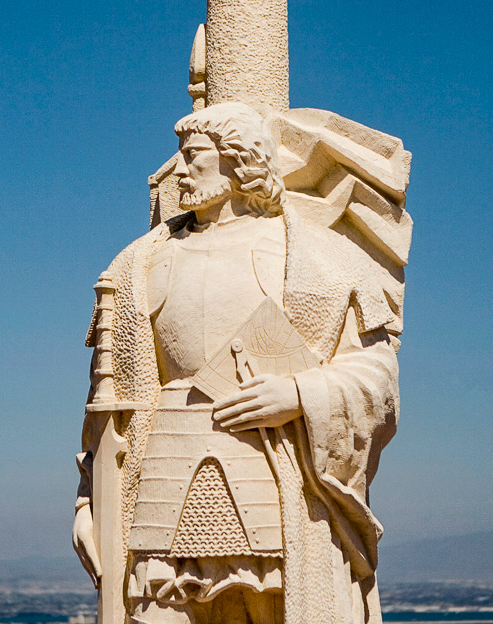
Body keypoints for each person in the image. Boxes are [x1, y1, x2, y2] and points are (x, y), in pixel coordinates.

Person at [73, 102, 401, 624]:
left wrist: (300, 395)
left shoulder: (314, 257)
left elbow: (376, 375)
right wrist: (89, 500)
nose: (180, 171)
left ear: (239, 159)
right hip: (160, 483)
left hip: (273, 484)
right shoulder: (139, 263)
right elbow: (109, 402)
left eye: (194, 156)